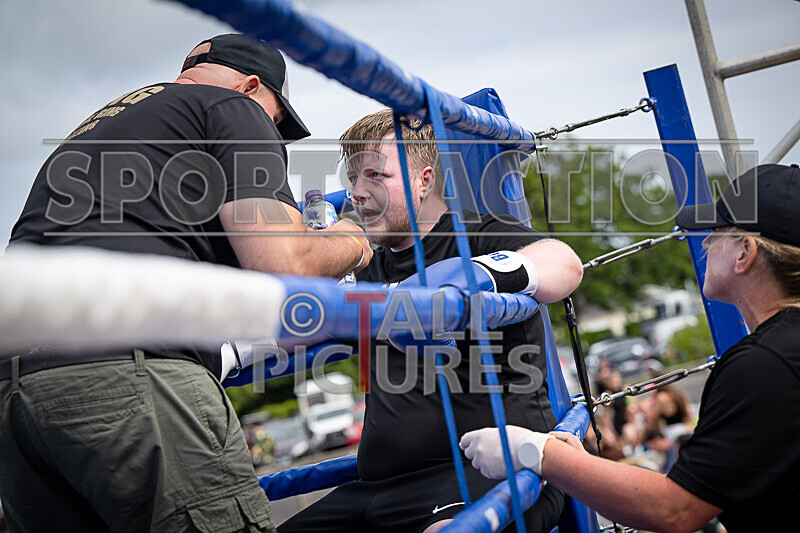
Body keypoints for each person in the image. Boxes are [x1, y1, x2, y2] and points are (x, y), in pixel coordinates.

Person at [0, 34, 371, 532]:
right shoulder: (232, 107)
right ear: (253, 85)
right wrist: (351, 240)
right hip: (127, 369)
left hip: (16, 392)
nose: (273, 133)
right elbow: (284, 265)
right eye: (276, 119)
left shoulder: (100, 128)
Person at [278, 110, 584, 532]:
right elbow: (284, 335)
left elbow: (565, 265)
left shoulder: (475, 235)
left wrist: (472, 279)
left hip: (489, 474)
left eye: (376, 176)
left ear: (424, 180)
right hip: (378, 489)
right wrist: (311, 270)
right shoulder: (364, 265)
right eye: (353, 181)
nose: (359, 194)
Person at [460, 163, 800, 532]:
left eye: (717, 233)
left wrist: (536, 453)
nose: (704, 242)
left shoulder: (765, 364)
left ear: (744, 252)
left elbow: (675, 510)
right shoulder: (780, 351)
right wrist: (579, 464)